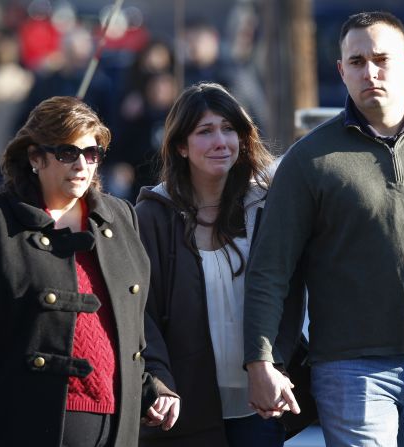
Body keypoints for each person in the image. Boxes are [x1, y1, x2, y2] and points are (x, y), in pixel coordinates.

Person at [243, 11, 404, 447]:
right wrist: (261, 360)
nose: (370, 72)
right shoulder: (308, 159)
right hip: (351, 369)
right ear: (341, 70)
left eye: (382, 59)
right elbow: (271, 268)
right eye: (357, 61)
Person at [0, 96, 179, 447]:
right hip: (18, 421)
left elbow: (137, 319)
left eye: (91, 153)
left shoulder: (121, 217)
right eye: (67, 153)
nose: (81, 164)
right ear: (35, 158)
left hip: (116, 423)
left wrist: (155, 385)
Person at [135, 82, 306, 447]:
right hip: (183, 402)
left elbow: (288, 294)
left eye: (229, 129)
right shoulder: (151, 215)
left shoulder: (267, 204)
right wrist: (158, 381)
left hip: (258, 397)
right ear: (181, 146)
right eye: (205, 131)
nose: (221, 142)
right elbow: (140, 312)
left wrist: (273, 365)